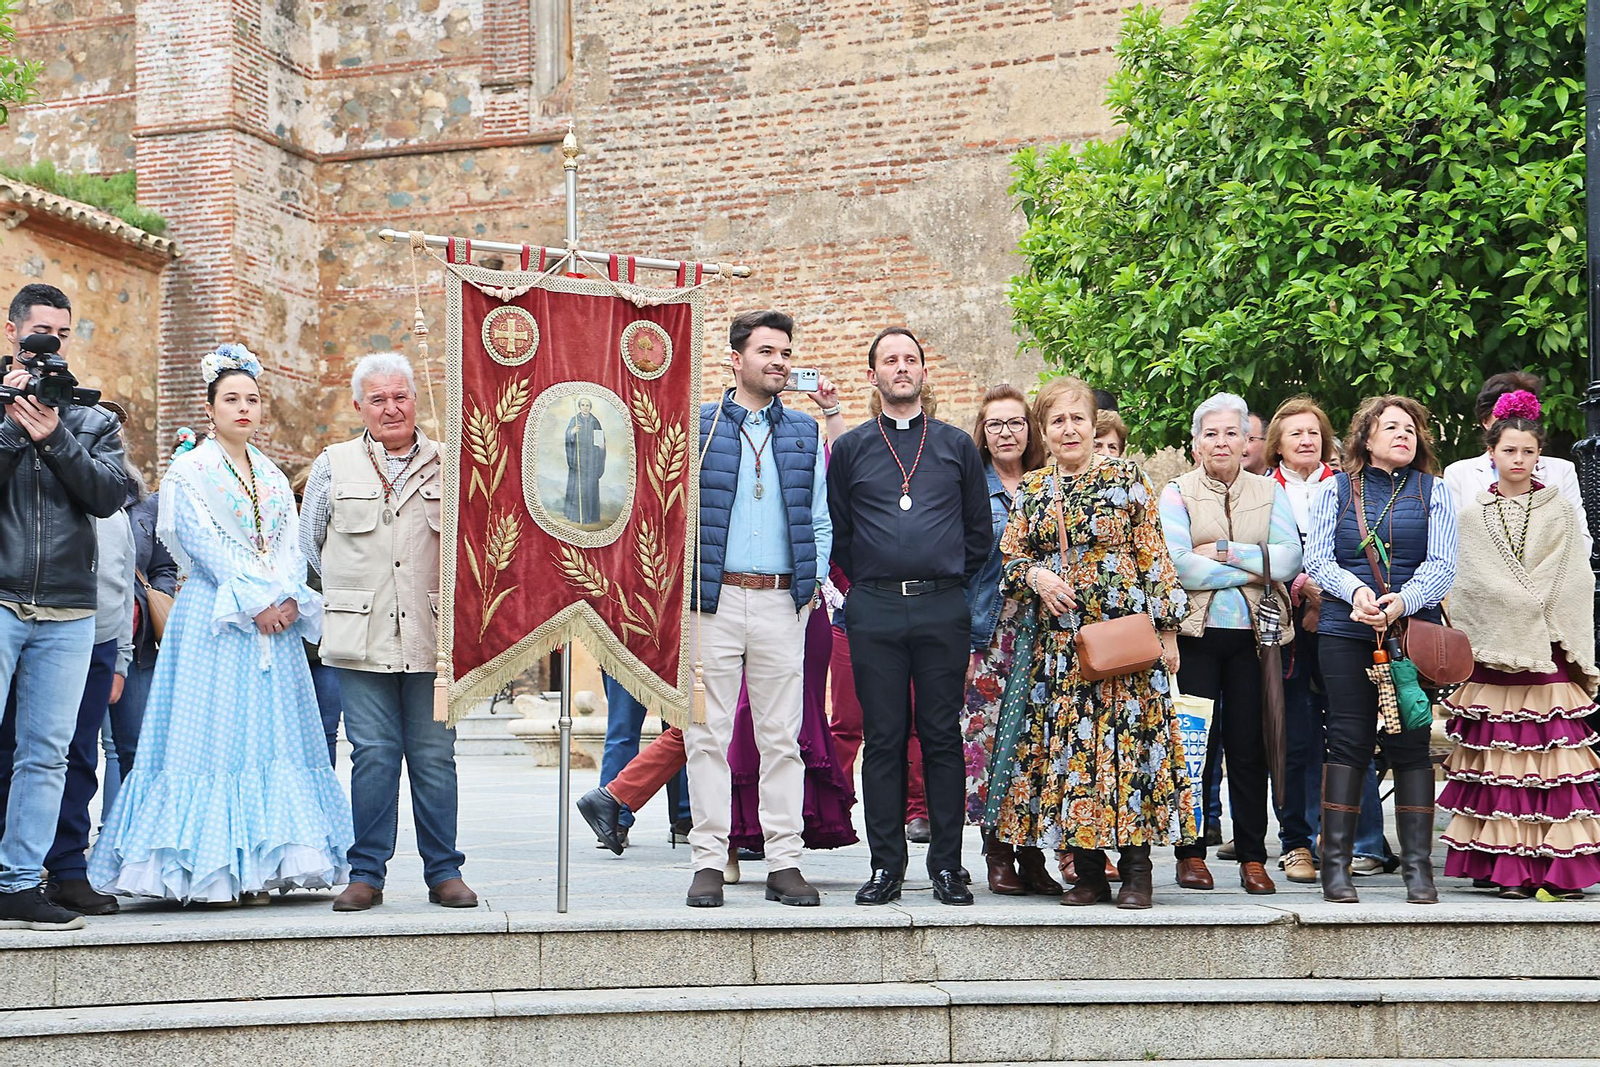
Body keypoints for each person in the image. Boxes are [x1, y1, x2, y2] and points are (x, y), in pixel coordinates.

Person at [89, 345, 351, 904]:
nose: (243, 408)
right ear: (210, 408)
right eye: (231, 399)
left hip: (273, 628)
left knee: (270, 741)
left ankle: (262, 866)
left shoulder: (273, 474)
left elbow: (291, 545)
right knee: (213, 740)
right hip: (216, 620)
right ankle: (211, 867)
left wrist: (287, 598)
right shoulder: (189, 470)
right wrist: (255, 601)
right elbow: (202, 544)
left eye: (252, 399)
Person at [987, 377, 1191, 909]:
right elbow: (1009, 563)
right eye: (1057, 421)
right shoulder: (1034, 488)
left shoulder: (1127, 476)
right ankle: (1090, 873)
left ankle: (1138, 871)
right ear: (1043, 430)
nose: (1069, 429)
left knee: (1130, 749)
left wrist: (1169, 631)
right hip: (1062, 648)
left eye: (1078, 418)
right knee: (1074, 755)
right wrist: (1036, 577)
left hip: (1124, 641)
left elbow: (1154, 556)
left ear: (1092, 423)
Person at [303, 351, 476, 911]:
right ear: (359, 407)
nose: (391, 407)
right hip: (361, 636)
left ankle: (444, 872)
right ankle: (366, 874)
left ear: (416, 401)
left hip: (432, 636)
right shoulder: (333, 464)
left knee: (434, 756)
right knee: (373, 755)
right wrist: (350, 595)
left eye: (400, 396)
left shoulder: (451, 462)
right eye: (378, 399)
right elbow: (309, 547)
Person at [829, 326, 988, 907]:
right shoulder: (852, 448)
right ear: (872, 376)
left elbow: (978, 532)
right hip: (875, 606)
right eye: (890, 360)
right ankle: (885, 866)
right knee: (884, 738)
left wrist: (941, 577)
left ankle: (947, 866)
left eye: (910, 359)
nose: (902, 367)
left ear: (924, 371)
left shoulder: (955, 445)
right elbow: (841, 532)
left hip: (942, 605)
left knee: (942, 736)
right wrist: (877, 579)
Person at [683, 309, 830, 909]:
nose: (779, 362)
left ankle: (784, 862)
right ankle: (708, 861)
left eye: (785, 353)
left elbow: (820, 518)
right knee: (706, 735)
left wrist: (809, 589)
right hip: (712, 601)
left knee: (782, 737)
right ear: (736, 358)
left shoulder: (803, 431)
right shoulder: (697, 427)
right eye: (767, 351)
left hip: (781, 600)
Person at [0, 284, 127, 931]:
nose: (51, 344)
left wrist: (53, 436)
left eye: (62, 334)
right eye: (39, 332)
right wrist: (12, 426)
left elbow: (110, 496)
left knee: (47, 754)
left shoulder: (92, 418)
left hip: (70, 609)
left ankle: (19, 884)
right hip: (2, 597)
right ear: (13, 332)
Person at [1440, 393, 1600, 898]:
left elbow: (1573, 574)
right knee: (1501, 763)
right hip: (1496, 652)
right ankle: (1507, 868)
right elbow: (1468, 581)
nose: (1518, 459)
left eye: (1528, 451)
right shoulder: (1472, 515)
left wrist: (1535, 604)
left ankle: (1557, 867)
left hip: (1548, 649)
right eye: (1509, 450)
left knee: (1554, 759)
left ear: (1538, 456)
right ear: (1492, 452)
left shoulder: (1560, 510)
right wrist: (1513, 602)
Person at [1304, 394, 1457, 904]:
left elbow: (1443, 566)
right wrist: (1357, 593)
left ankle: (1418, 871)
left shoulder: (1436, 491)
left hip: (1410, 635)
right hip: (1345, 632)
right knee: (1347, 740)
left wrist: (1401, 603)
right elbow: (1318, 560)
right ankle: (1336, 868)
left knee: (1411, 742)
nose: (1403, 435)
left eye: (1410, 428)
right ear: (1366, 439)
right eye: (1391, 427)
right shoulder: (1332, 490)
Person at [1159, 393, 1302, 895]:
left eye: (1231, 433)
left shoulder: (1269, 492)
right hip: (1195, 637)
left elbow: (1288, 560)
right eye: (1211, 433)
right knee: (1193, 747)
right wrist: (1254, 567)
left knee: (1248, 747)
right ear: (1196, 443)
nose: (1221, 442)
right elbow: (1178, 565)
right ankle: (1190, 854)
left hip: (1255, 638)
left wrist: (1220, 551)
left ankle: (1252, 856)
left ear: (1247, 441)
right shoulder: (1176, 492)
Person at [1263, 397, 1393, 884]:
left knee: (1351, 732)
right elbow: (1260, 552)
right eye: (1295, 433)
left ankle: (1365, 842)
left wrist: (1327, 595)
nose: (1306, 440)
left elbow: (1360, 553)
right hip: (1283, 626)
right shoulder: (1262, 491)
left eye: (1314, 432)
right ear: (1277, 444)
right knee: (1295, 736)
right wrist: (1302, 586)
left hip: (1346, 618)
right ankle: (1297, 841)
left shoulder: (1349, 487)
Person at [961, 384, 1062, 897]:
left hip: (1046, 632)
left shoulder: (1051, 485)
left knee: (1037, 743)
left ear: (1031, 430)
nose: (1006, 433)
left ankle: (1033, 853)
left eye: (1016, 422)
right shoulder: (969, 487)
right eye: (995, 424)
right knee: (988, 741)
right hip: (991, 631)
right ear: (983, 432)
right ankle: (997, 852)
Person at [1444, 371, 1590, 558]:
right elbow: (1453, 542)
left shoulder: (1561, 470)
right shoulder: (1459, 474)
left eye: (1523, 415)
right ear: (1485, 421)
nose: (1516, 422)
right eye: (1506, 415)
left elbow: (1581, 540)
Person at [564, 396, 606, 525]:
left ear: (590, 407)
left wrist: (601, 446)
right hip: (579, 459)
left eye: (587, 405)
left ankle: (591, 516)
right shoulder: (575, 420)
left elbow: (600, 439)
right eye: (583, 405)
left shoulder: (595, 422)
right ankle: (576, 516)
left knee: (590, 486)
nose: (585, 408)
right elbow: (567, 436)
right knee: (578, 486)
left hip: (592, 459)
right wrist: (572, 431)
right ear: (579, 407)